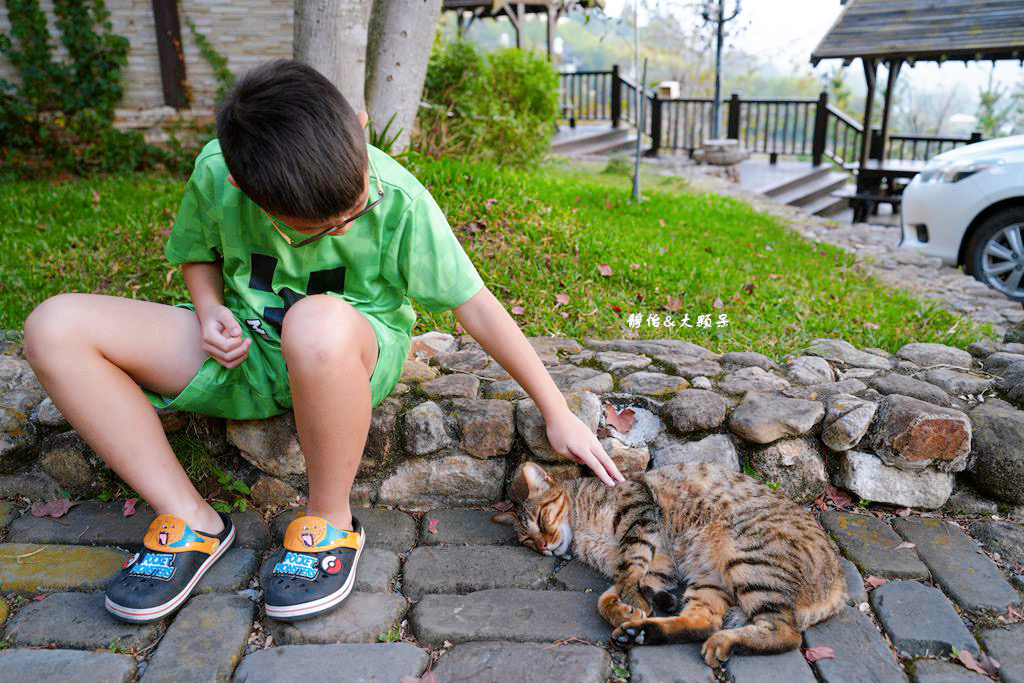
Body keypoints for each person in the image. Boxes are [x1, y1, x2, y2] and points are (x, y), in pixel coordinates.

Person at [22, 58, 624, 624]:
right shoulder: (218, 172)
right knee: (55, 326)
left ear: (360, 129)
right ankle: (190, 517)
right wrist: (208, 311)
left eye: (355, 210)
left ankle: (330, 520)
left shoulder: (400, 197)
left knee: (315, 323)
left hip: (343, 351)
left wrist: (557, 409)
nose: (349, 224)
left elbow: (476, 306)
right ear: (242, 184)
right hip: (246, 348)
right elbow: (198, 256)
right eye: (326, 228)